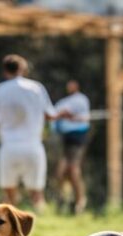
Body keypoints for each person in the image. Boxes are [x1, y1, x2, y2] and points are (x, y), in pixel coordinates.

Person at [0, 54, 59, 211]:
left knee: (9, 197)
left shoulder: (0, 89)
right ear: (22, 69)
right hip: (33, 146)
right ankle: (45, 224)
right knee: (37, 194)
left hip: (9, 147)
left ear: (5, 71)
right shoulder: (36, 88)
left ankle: (10, 228)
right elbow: (50, 114)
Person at [52, 80, 91, 214]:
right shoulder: (63, 101)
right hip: (65, 139)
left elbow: (81, 117)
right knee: (61, 172)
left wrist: (66, 116)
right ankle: (63, 200)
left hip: (77, 138)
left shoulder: (81, 100)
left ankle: (80, 202)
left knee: (73, 170)